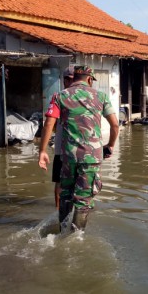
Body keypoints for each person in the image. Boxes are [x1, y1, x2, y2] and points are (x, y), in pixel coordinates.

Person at [38, 65, 119, 233]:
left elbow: (49, 123)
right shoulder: (101, 96)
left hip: (68, 157)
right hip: (91, 158)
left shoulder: (59, 96)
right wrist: (110, 145)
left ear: (73, 78)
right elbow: (115, 125)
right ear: (90, 79)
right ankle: (75, 237)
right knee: (83, 201)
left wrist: (42, 151)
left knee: (65, 195)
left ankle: (62, 230)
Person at [51, 66, 75, 209]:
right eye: (70, 80)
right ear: (64, 80)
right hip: (61, 150)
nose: (73, 83)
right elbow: (50, 123)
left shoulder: (78, 97)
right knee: (59, 183)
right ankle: (58, 211)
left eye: (75, 80)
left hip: (76, 150)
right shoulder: (59, 97)